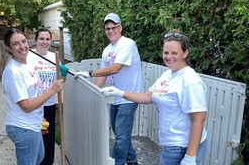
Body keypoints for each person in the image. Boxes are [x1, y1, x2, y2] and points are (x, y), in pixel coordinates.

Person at [102, 29, 207, 165]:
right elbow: (148, 96)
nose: (169, 56)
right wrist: (120, 93)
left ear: (185, 53)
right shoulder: (168, 74)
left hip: (182, 148)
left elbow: (199, 119)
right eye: (166, 52)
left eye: (174, 53)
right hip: (171, 145)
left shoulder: (190, 80)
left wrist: (190, 157)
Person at [74, 13, 143, 165]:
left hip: (129, 96)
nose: (111, 31)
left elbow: (115, 69)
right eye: (108, 28)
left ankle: (117, 162)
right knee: (120, 133)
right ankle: (132, 160)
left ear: (120, 28)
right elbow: (103, 75)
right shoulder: (107, 50)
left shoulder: (127, 44)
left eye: (114, 28)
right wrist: (91, 92)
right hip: (114, 97)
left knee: (120, 136)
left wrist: (89, 73)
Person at [2, 28, 64, 165]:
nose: (22, 46)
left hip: (33, 124)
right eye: (15, 44)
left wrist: (39, 116)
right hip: (23, 127)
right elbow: (26, 106)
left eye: (23, 41)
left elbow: (34, 93)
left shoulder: (27, 64)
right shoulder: (14, 72)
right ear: (9, 48)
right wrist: (52, 90)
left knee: (40, 157)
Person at [27, 28, 68, 165]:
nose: (45, 42)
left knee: (48, 139)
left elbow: (60, 81)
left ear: (51, 41)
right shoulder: (29, 57)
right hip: (34, 105)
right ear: (36, 40)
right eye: (42, 39)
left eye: (47, 39)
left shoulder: (54, 57)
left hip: (49, 105)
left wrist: (63, 74)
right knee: (35, 140)